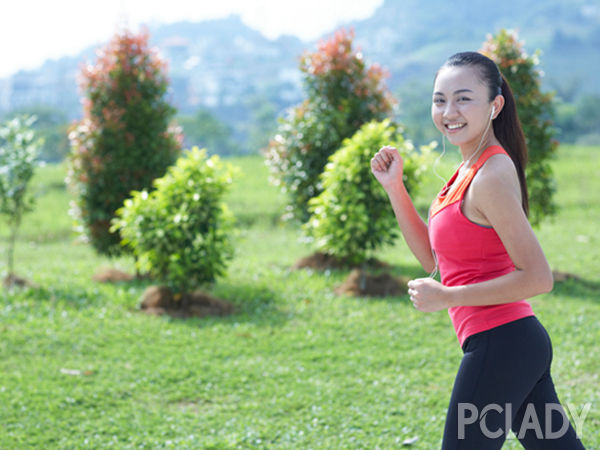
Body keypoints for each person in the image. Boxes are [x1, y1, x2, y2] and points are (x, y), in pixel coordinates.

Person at [370, 51, 586, 449]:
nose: (449, 111)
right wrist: (394, 187)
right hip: (513, 345)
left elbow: (538, 277)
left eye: (463, 98)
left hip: (502, 341)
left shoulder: (491, 173)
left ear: (494, 105)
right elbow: (435, 261)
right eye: (440, 100)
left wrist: (447, 297)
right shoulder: (466, 171)